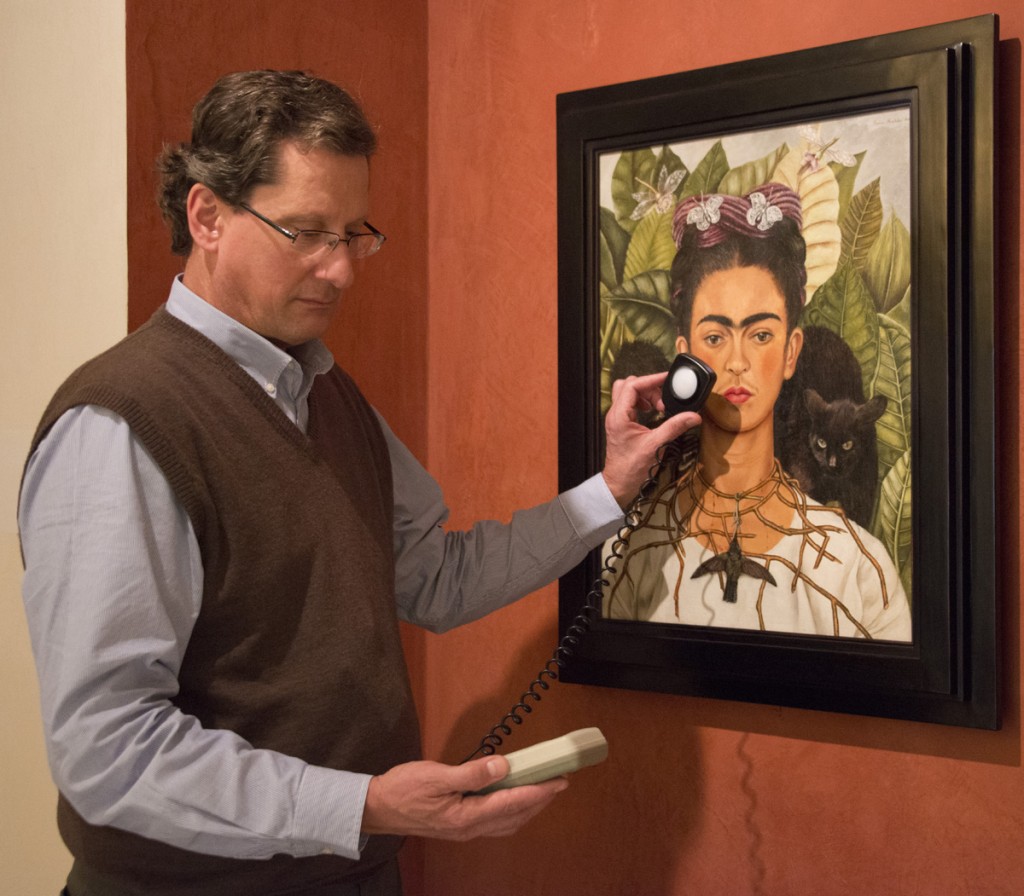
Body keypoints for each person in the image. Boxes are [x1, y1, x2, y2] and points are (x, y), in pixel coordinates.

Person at [17, 70, 701, 896]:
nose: (339, 270)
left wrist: (610, 489)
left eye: (354, 234)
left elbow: (436, 579)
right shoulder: (121, 425)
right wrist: (362, 806)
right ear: (206, 216)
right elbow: (106, 748)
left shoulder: (329, 393)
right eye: (305, 232)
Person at [602, 184, 911, 642]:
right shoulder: (631, 553)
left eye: (761, 335)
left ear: (792, 352)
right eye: (715, 337)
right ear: (684, 356)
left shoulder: (857, 568)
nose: (737, 362)